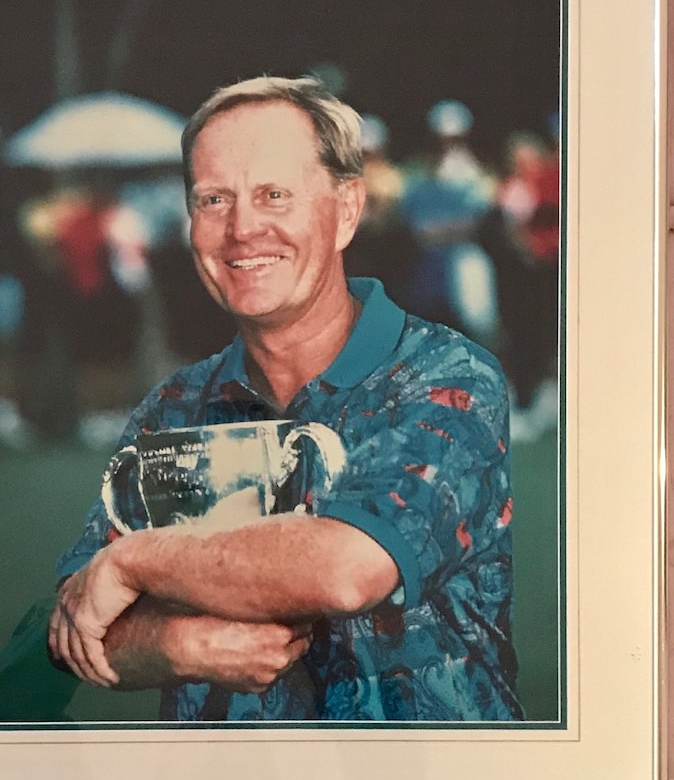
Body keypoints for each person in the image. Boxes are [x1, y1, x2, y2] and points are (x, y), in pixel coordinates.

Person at [48, 76, 524, 723]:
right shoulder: (175, 407)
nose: (243, 228)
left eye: (274, 194)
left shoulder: (446, 378)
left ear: (347, 209)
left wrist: (135, 562)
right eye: (213, 199)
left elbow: (348, 569)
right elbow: (76, 619)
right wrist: (174, 644)